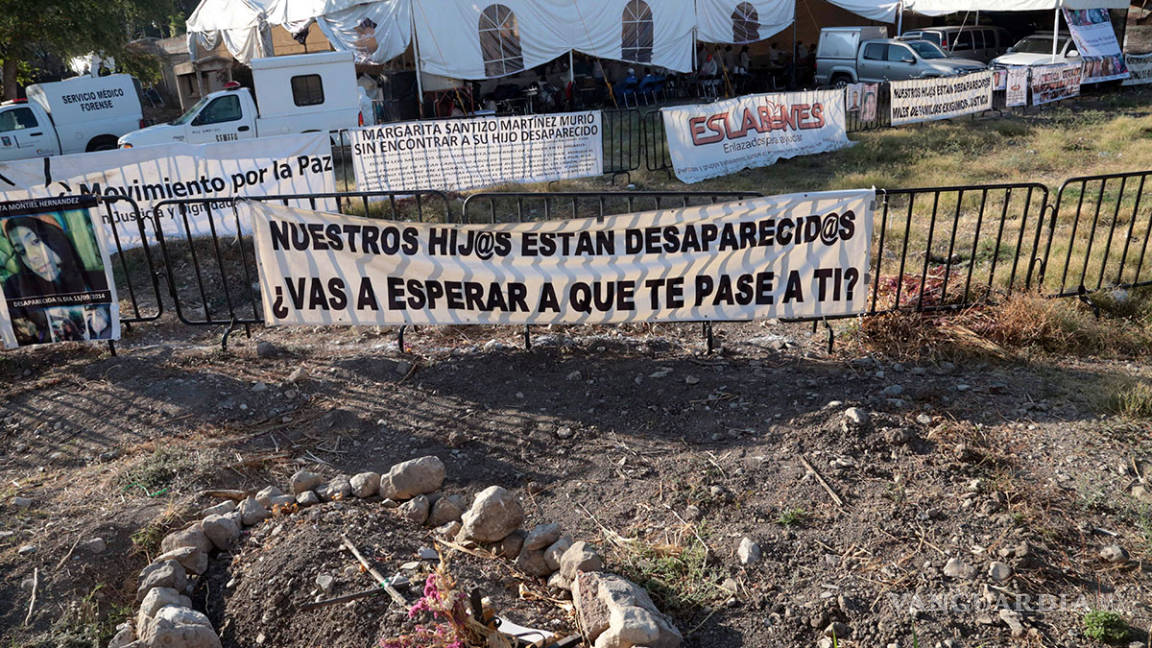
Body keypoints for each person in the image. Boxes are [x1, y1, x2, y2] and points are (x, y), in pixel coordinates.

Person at [1, 215, 108, 301]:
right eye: (21, 251)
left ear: (57, 238)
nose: (32, 257)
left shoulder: (100, 281)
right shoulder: (14, 290)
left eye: (36, 241)